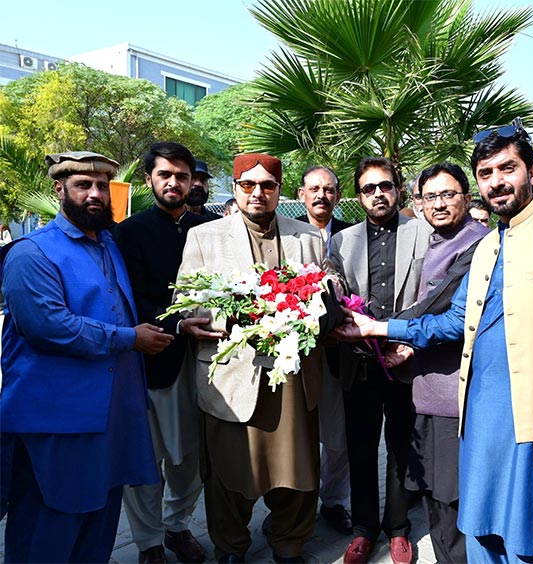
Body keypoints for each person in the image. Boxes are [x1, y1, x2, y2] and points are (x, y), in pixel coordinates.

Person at [339, 123, 533, 563]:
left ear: (531, 171)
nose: (497, 181)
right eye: (486, 173)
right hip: (479, 425)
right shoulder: (489, 245)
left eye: (508, 168)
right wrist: (376, 329)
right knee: (483, 540)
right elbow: (454, 321)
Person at [0, 151, 172, 563]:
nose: (95, 194)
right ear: (59, 189)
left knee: (99, 528)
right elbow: (49, 327)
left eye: (101, 185)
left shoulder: (109, 244)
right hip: (56, 422)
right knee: (48, 530)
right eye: (83, 185)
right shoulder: (31, 253)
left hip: (111, 418)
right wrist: (129, 339)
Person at [178, 153, 330, 563]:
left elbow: (326, 288)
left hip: (292, 376)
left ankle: (289, 540)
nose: (257, 193)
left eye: (267, 185)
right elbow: (186, 301)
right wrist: (245, 312)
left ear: (280, 191)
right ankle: (230, 545)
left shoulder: (308, 237)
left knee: (296, 468)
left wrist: (310, 306)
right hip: (233, 376)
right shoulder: (205, 237)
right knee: (229, 472)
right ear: (235, 188)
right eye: (248, 185)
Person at [329, 156, 432, 564]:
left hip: (405, 357)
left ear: (398, 189)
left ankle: (399, 528)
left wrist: (408, 343)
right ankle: (364, 529)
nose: (378, 194)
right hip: (359, 360)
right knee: (360, 446)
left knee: (402, 445)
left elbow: (432, 293)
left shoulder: (423, 233)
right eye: (368, 188)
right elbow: (335, 293)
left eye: (385, 186)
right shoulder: (342, 241)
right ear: (358, 196)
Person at [114, 142, 209, 564]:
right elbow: (128, 298)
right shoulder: (129, 232)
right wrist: (176, 325)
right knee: (148, 459)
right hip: (154, 357)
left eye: (182, 176)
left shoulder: (209, 228)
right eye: (165, 175)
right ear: (148, 179)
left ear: (192, 181)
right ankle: (148, 542)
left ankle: (177, 526)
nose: (174, 183)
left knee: (193, 457)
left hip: (207, 359)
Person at [394, 162, 489, 563]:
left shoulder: (478, 244)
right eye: (430, 196)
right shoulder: (434, 240)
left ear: (467, 198)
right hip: (427, 390)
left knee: (453, 500)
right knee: (433, 494)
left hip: (456, 396)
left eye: (448, 194)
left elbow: (445, 313)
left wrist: (381, 330)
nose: (438, 204)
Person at [288, 164, 355, 536]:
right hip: (296, 354)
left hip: (340, 352)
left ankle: (334, 502)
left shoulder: (351, 235)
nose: (321, 196)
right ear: (301, 194)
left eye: (329, 189)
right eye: (314, 189)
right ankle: (293, 508)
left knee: (338, 436)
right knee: (296, 435)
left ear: (338, 195)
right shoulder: (287, 232)